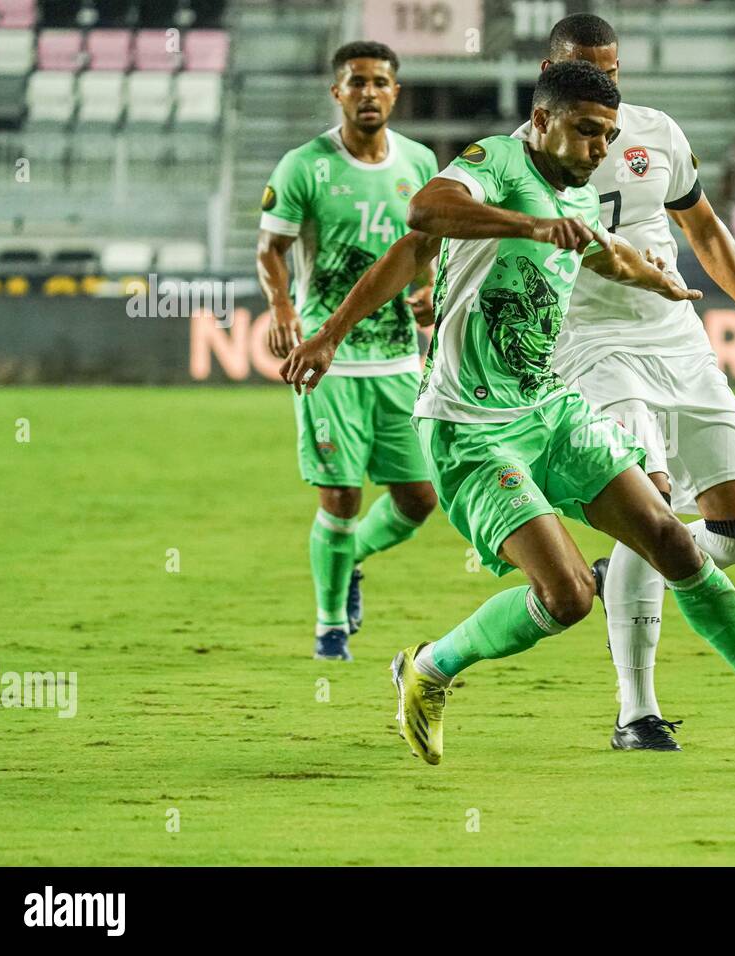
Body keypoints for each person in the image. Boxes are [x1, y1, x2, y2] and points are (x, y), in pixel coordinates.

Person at [279, 61, 735, 766]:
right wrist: (331, 332)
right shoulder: (494, 161)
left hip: (551, 412)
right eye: (587, 131)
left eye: (609, 135)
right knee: (569, 596)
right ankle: (431, 668)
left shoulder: (578, 202)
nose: (599, 149)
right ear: (544, 120)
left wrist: (659, 280)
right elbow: (422, 217)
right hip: (470, 429)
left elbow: (604, 253)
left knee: (671, 541)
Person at [520, 13, 735, 751]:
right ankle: (636, 713)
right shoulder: (519, 156)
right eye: (587, 70)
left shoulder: (657, 131)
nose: (605, 84)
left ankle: (629, 563)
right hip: (589, 346)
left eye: (613, 71)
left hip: (676, 338)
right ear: (550, 76)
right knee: (649, 503)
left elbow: (705, 229)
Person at [256, 41, 439, 661]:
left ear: (395, 91)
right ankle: (330, 626)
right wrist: (283, 308)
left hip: (398, 360)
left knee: (419, 499)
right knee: (341, 496)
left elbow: (426, 247)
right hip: (326, 358)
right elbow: (270, 250)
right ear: (337, 93)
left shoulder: (419, 161)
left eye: (380, 82)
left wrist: (427, 292)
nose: (368, 92)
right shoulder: (303, 166)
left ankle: (349, 557)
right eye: (355, 82)